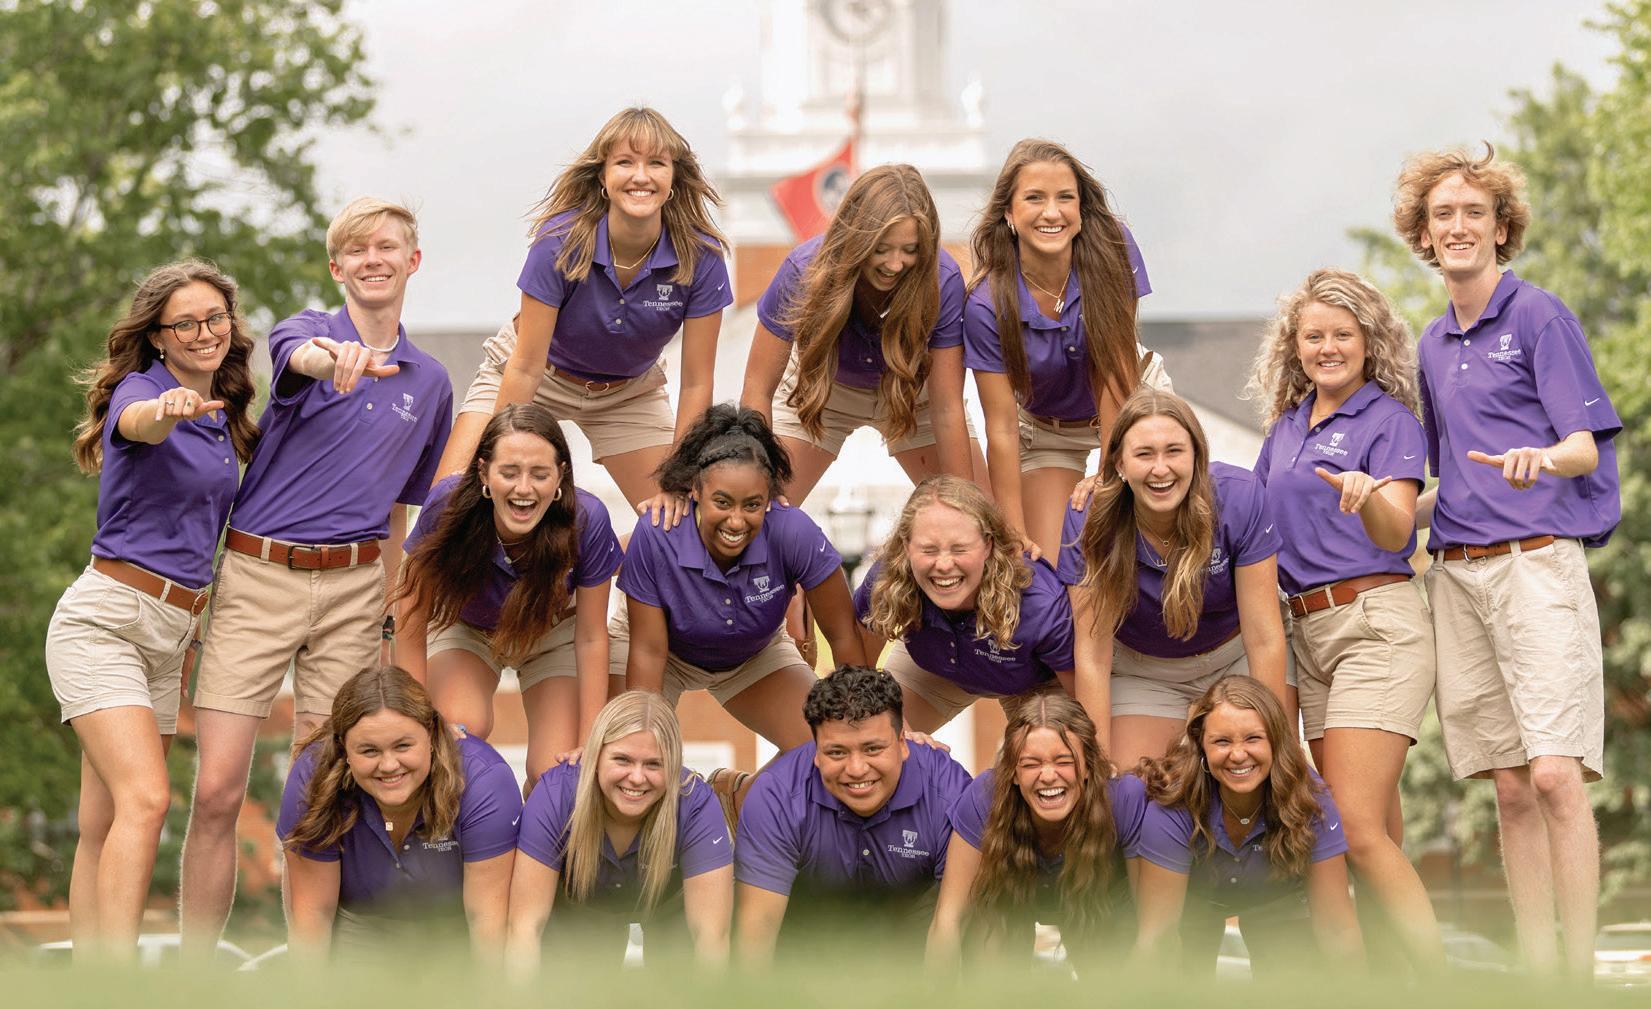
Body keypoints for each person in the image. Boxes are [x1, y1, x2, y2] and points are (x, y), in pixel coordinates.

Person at [180, 198, 454, 954]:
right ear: (337, 267)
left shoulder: (431, 382)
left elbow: (399, 508)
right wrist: (333, 361)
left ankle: (312, 971)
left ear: (412, 261)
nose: (373, 259)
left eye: (387, 247)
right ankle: (190, 975)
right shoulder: (306, 332)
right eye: (356, 250)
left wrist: (393, 612)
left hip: (355, 590)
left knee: (322, 793)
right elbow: (294, 356)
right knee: (217, 790)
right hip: (259, 575)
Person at [1393, 143, 1619, 976]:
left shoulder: (1537, 316)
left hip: (1536, 567)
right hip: (1456, 573)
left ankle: (1579, 975)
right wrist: (1380, 503)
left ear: (1499, 228)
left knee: (1555, 775)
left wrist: (1541, 457)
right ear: (1423, 233)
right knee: (1510, 786)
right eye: (1441, 214)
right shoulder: (1428, 343)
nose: (1456, 226)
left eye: (1472, 213)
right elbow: (1449, 480)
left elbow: (1583, 447)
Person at [46, 260, 258, 961]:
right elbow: (138, 424)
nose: (204, 332)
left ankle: (89, 982)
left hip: (172, 635)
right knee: (147, 800)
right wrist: (165, 412)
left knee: (103, 820)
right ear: (159, 336)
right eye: (185, 323)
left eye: (215, 318)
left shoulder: (225, 417)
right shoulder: (143, 391)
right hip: (107, 622)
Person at [1246, 268, 1442, 969]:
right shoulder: (1285, 429)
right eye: (1313, 336)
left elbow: (1397, 533)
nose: (1326, 347)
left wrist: (1368, 496)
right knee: (1365, 825)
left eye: (1342, 334)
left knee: (1353, 826)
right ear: (1293, 346)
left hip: (1372, 626)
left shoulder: (1389, 421)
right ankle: (1391, 978)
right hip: (1304, 633)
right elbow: (1250, 523)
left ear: (1368, 342)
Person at [438, 106, 731, 516]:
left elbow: (697, 383)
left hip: (629, 393)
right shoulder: (559, 241)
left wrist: (680, 481)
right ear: (603, 178)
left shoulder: (701, 257)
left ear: (674, 180)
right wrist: (497, 464)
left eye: (656, 163)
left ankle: (602, 552)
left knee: (681, 521)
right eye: (625, 162)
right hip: (538, 374)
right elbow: (525, 367)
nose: (641, 176)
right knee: (451, 504)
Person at [610, 405, 866, 748]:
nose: (736, 521)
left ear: (769, 500)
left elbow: (842, 634)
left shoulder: (792, 531)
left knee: (836, 746)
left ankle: (739, 785)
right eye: (722, 502)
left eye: (752, 505)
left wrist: (863, 721)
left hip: (754, 655)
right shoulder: (657, 532)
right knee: (630, 751)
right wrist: (642, 740)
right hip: (664, 653)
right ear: (694, 490)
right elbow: (648, 653)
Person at [393, 404, 622, 784]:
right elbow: (410, 612)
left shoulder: (588, 519)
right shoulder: (448, 504)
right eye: (509, 472)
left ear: (561, 475)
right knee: (456, 735)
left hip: (553, 634)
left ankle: (543, 818)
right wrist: (415, 715)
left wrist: (590, 738)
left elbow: (592, 637)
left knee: (560, 772)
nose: (524, 489)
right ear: (484, 472)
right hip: (468, 627)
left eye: (540, 474)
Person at [1059, 389, 1288, 769]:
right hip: (1146, 671)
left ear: (1197, 455)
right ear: (1118, 463)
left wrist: (1273, 745)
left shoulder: (1240, 497)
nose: (1160, 469)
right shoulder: (1090, 518)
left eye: (1174, 451)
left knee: (1256, 772)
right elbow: (1092, 654)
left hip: (1237, 658)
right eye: (1144, 454)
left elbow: (1264, 638)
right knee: (1133, 792)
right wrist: (1097, 767)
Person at [964, 137, 1169, 559]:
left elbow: (1115, 373)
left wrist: (1109, 474)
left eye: (1065, 197)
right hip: (1047, 431)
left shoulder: (1113, 246)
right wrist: (1012, 530)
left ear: (1081, 209)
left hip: (1131, 402)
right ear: (1008, 213)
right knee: (1059, 559)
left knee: (1141, 546)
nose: (1052, 212)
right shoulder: (986, 303)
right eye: (1034, 198)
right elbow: (1001, 428)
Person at [740, 163, 984, 503]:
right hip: (822, 388)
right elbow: (757, 389)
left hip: (912, 391)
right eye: (881, 248)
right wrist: (756, 482)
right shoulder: (803, 270)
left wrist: (967, 509)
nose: (895, 264)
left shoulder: (942, 279)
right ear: (855, 237)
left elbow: (946, 407)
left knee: (978, 512)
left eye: (910, 250)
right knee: (759, 508)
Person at [277, 666, 520, 962]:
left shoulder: (484, 781)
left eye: (403, 746)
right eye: (369, 751)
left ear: (432, 734)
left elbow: (488, 926)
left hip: (454, 929)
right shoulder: (312, 780)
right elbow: (313, 918)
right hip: (360, 925)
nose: (389, 765)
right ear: (343, 750)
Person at [735, 665, 973, 965]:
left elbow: (953, 925)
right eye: (836, 752)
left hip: (913, 950)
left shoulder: (948, 793)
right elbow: (757, 934)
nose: (857, 769)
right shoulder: (777, 794)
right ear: (816, 751)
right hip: (805, 950)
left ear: (903, 743)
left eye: (872, 749)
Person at [1133, 677, 1362, 975]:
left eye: (1253, 738)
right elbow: (1157, 938)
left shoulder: (1309, 798)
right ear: (1201, 746)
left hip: (1277, 899)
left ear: (1276, 741)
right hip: (1194, 902)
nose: (1238, 755)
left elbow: (1337, 929)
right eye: (1222, 741)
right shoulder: (1174, 802)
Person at [506, 691, 732, 971]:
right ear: (595, 755)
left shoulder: (695, 803)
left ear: (673, 765)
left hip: (669, 911)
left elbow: (711, 939)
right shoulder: (556, 795)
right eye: (622, 760)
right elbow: (525, 928)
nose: (636, 778)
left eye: (654, 764)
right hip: (580, 915)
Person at [926, 690, 1146, 971]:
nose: (1048, 776)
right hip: (1010, 904)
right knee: (987, 929)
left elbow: (1151, 929)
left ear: (1089, 767)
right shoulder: (985, 797)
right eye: (1031, 764)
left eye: (1064, 761)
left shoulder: (1124, 799)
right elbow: (948, 920)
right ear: (1013, 774)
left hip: (1100, 906)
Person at [856, 475, 1075, 732]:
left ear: (988, 545)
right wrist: (896, 731)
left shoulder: (1038, 602)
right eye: (928, 549)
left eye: (960, 549)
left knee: (1056, 751)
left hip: (1035, 682)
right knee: (874, 733)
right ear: (906, 546)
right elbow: (856, 666)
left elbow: (1084, 708)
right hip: (937, 666)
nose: (944, 565)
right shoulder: (887, 579)